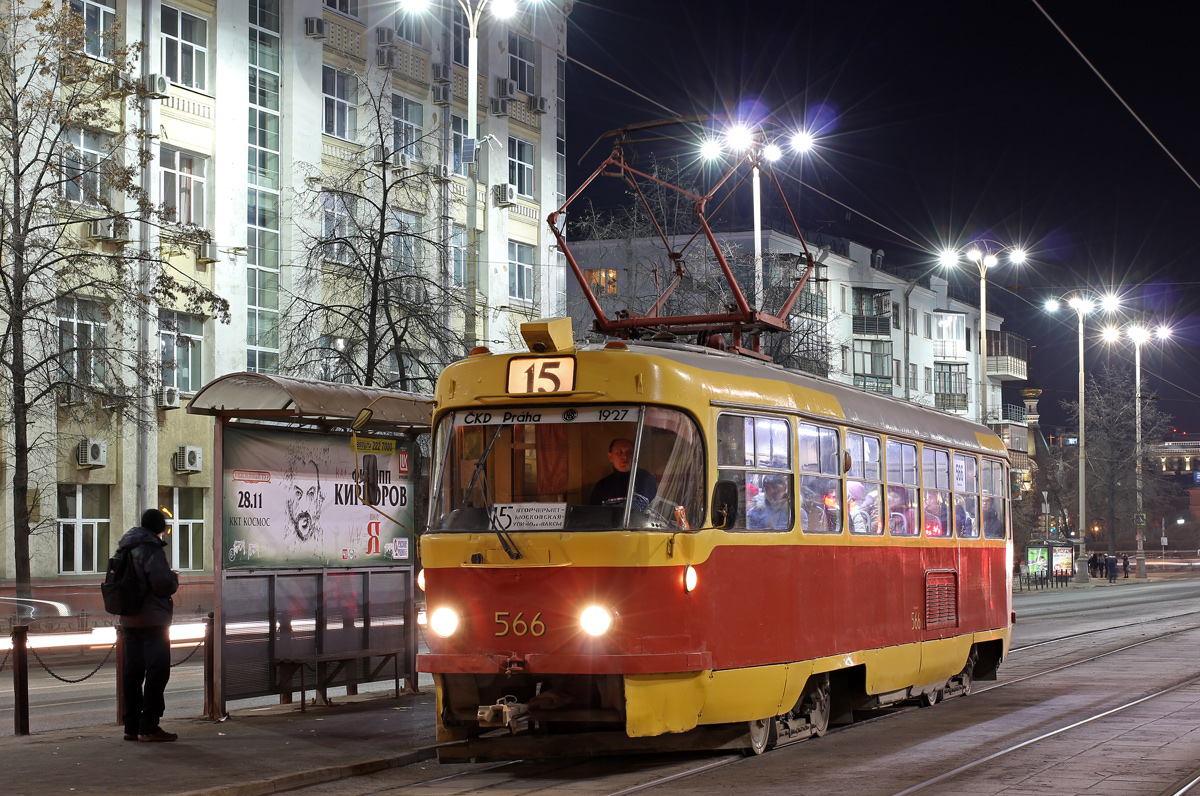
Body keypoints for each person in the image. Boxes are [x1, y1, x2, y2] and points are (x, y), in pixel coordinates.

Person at [118, 509, 180, 743]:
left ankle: (131, 726)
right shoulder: (150, 548)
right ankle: (149, 726)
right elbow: (162, 584)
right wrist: (174, 578)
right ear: (159, 528)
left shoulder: (125, 546)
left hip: (129, 620)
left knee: (133, 673)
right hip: (152, 621)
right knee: (157, 672)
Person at [589, 438, 657, 507]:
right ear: (610, 457)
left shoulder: (645, 478)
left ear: (636, 455)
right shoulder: (601, 486)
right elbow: (593, 514)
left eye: (629, 452)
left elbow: (639, 506)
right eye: (619, 452)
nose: (625, 457)